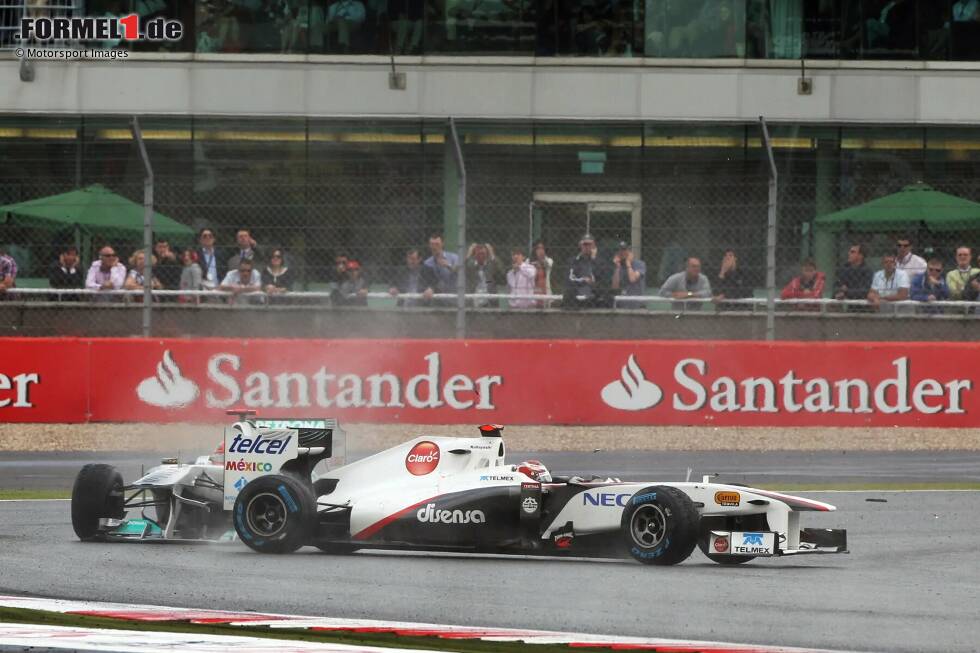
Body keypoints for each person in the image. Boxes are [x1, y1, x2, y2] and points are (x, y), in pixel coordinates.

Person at [563, 234, 611, 309]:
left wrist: (594, 259)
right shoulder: (574, 261)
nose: (587, 247)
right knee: (569, 294)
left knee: (606, 296)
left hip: (595, 294)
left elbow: (602, 279)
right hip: (578, 293)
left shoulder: (600, 262)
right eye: (585, 244)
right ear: (580, 245)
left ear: (594, 246)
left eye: (589, 244)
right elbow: (569, 279)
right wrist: (584, 280)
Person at [465, 242, 504, 308]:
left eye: (483, 254)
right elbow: (458, 270)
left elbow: (501, 271)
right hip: (474, 299)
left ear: (487, 255)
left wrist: (492, 254)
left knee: (489, 281)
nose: (481, 256)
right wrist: (468, 255)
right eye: (478, 254)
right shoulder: (471, 265)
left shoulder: (491, 264)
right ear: (475, 255)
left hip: (490, 299)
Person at [422, 234, 460, 302]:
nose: (434, 247)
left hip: (454, 296)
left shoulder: (454, 258)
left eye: (437, 244)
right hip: (436, 299)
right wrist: (429, 288)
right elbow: (427, 281)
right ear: (429, 246)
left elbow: (460, 272)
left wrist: (448, 265)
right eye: (432, 244)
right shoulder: (427, 263)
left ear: (442, 244)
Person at [611, 241, 646, 308]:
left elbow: (632, 279)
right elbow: (615, 286)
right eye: (620, 250)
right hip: (622, 305)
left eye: (624, 250)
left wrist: (628, 263)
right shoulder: (618, 266)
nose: (622, 252)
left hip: (637, 304)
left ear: (629, 251)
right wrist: (618, 267)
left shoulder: (640, 264)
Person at [531, 240, 554, 307]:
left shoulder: (549, 260)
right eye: (538, 248)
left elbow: (547, 264)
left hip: (545, 290)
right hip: (533, 290)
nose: (540, 250)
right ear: (534, 250)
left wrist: (541, 260)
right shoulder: (529, 261)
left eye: (542, 248)